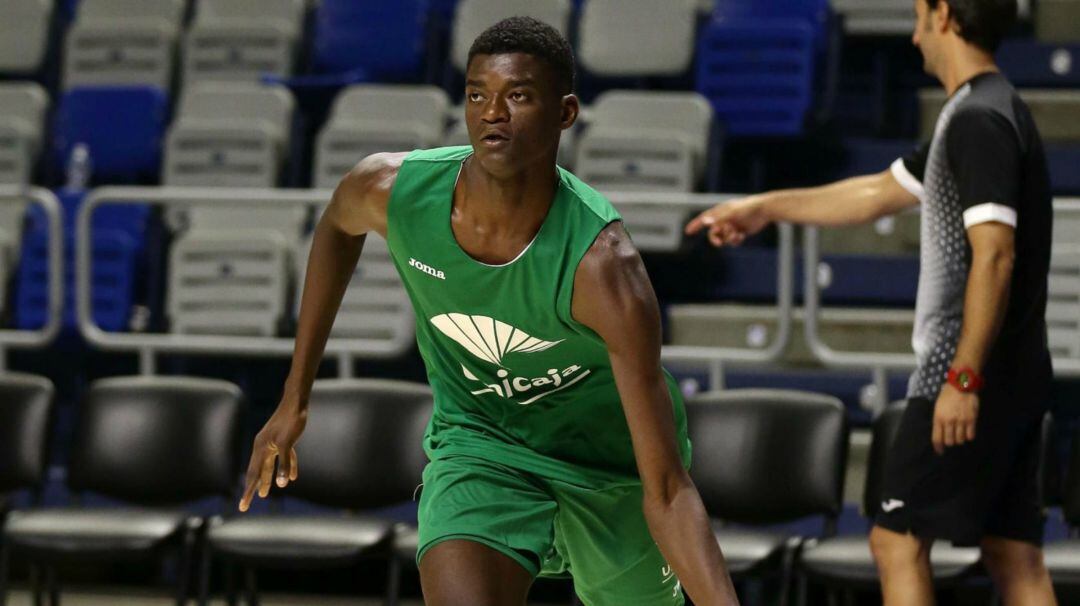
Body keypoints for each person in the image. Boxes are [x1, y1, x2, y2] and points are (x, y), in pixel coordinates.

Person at [237, 16, 739, 606]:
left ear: (565, 113)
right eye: (478, 94)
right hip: (482, 444)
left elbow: (668, 489)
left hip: (610, 467)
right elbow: (336, 229)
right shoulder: (394, 190)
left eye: (518, 96)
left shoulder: (603, 268)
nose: (492, 113)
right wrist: (295, 396)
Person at [687, 1, 1055, 604]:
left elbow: (995, 256)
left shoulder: (978, 120)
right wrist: (763, 207)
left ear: (945, 15)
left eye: (919, 16)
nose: (913, 36)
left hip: (964, 374)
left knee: (895, 542)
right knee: (1015, 556)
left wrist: (961, 377)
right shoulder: (984, 109)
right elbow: (877, 192)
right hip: (1010, 373)